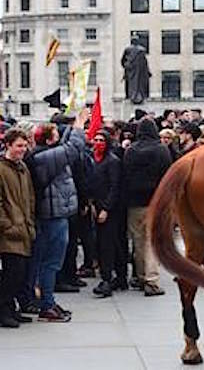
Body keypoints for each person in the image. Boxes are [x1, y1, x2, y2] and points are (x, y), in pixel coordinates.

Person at [24, 109, 88, 322]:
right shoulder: (45, 157)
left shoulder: (43, 154)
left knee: (42, 260)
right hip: (52, 216)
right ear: (50, 140)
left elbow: (67, 146)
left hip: (52, 213)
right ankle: (46, 304)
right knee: (50, 262)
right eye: (57, 134)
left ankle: (41, 299)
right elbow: (74, 147)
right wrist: (79, 124)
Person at [0, 128, 36, 328]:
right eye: (19, 146)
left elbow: (29, 197)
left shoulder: (22, 167)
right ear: (8, 146)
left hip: (23, 226)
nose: (23, 150)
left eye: (25, 145)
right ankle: (3, 310)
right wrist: (7, 226)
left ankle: (10, 308)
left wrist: (29, 222)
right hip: (9, 230)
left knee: (19, 273)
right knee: (11, 273)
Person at [123, 118, 172, 296]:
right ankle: (152, 281)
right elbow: (168, 177)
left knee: (138, 241)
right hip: (155, 202)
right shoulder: (161, 150)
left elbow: (125, 175)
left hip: (134, 203)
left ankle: (141, 275)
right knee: (152, 242)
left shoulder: (130, 151)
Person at [88, 130, 123, 298]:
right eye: (95, 139)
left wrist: (106, 209)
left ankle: (107, 278)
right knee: (101, 243)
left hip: (109, 209)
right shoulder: (92, 159)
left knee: (107, 244)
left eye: (101, 140)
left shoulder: (112, 161)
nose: (97, 142)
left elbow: (115, 187)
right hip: (96, 205)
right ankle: (115, 276)